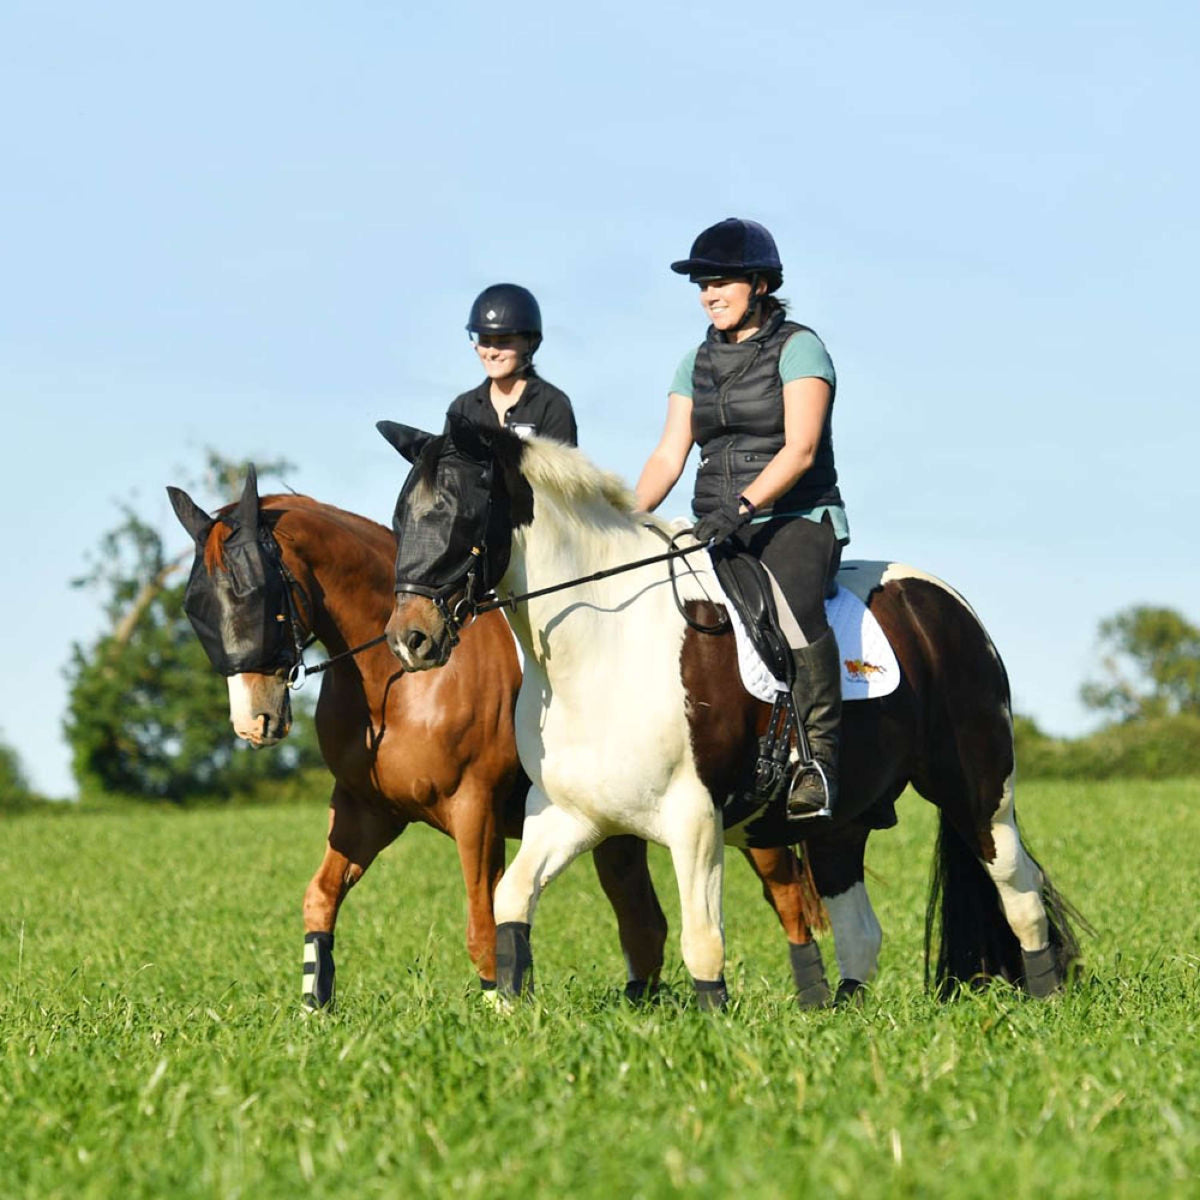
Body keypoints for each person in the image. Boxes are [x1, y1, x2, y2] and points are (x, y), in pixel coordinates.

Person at [634, 218, 848, 818]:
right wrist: (623, 519)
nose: (710, 294)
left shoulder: (800, 348)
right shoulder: (693, 363)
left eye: (721, 281)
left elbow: (800, 449)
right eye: (703, 284)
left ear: (758, 283)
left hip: (796, 516)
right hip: (715, 522)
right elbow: (669, 453)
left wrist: (744, 506)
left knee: (789, 607)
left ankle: (819, 762)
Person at [448, 283, 578, 446]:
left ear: (530, 342)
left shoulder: (552, 405)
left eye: (504, 341)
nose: (492, 352)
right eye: (485, 341)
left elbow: (562, 470)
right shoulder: (462, 409)